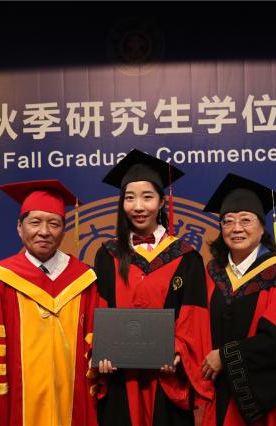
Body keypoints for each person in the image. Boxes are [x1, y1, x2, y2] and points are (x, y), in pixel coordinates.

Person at [0, 180, 99, 426]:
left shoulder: (85, 280)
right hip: (16, 405)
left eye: (54, 223)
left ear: (64, 230)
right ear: (19, 227)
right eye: (35, 222)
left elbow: (95, 342)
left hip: (72, 403)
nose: (44, 231)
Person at [92, 149, 213, 426]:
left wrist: (178, 348)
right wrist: (100, 349)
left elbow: (194, 317)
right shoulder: (107, 255)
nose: (138, 206)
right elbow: (98, 307)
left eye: (147, 197)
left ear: (161, 202)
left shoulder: (186, 257)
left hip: (166, 378)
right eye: (130, 198)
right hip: (120, 378)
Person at [200, 173, 276, 426]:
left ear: (262, 228)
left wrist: (225, 357)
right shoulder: (213, 273)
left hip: (269, 398)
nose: (236, 228)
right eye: (228, 221)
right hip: (221, 391)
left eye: (246, 220)